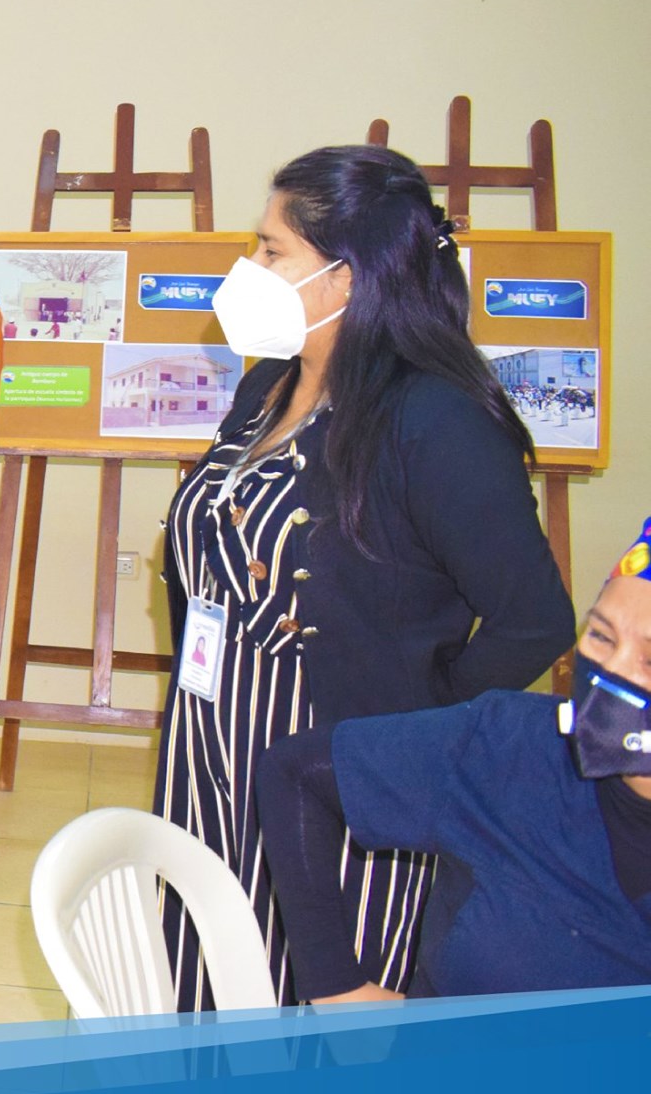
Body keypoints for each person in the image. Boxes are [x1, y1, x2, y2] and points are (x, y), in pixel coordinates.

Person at [154, 145, 577, 1011]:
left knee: (311, 1006)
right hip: (210, 748)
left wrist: (420, 718)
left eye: (272, 249)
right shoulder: (266, 388)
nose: (248, 267)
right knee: (209, 980)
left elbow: (535, 619)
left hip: (336, 782)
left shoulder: (435, 419)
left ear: (343, 278)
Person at [259, 519, 651, 1001]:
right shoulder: (510, 745)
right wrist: (337, 991)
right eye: (602, 637)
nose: (612, 671)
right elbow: (294, 772)